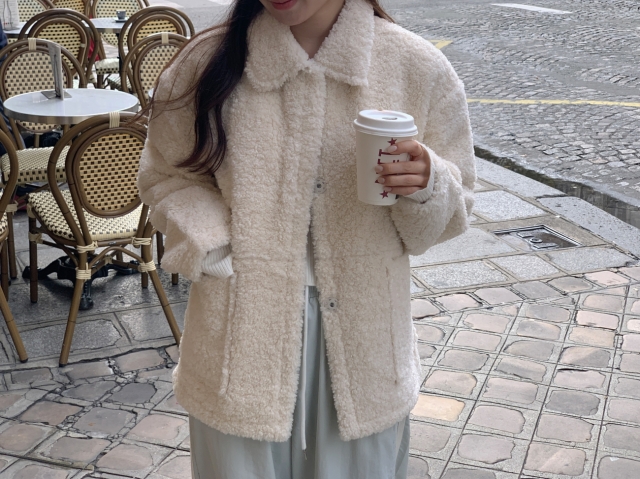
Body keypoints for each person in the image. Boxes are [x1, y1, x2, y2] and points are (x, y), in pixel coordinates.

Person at [137, 0, 476, 476]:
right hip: (239, 327)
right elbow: (165, 176)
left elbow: (454, 213)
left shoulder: (417, 67)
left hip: (366, 340)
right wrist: (213, 244)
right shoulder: (205, 62)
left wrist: (427, 184)